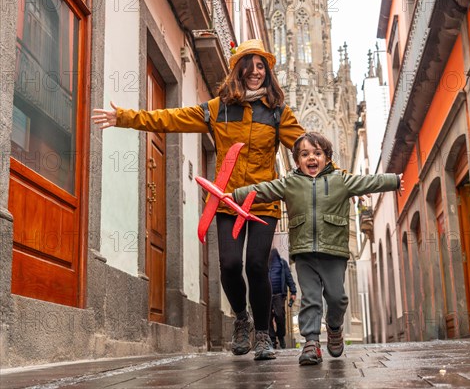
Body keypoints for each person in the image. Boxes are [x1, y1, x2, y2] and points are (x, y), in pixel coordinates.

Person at [91, 39, 305, 361]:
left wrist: (333, 176)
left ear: (267, 72)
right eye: (251, 65)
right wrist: (123, 117)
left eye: (262, 66)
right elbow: (171, 118)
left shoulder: (278, 113)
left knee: (257, 265)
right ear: (239, 69)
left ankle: (263, 334)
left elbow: (305, 147)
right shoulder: (219, 109)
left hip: (263, 201)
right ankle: (242, 320)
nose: (256, 72)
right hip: (227, 200)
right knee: (231, 266)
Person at [231, 132, 404, 365]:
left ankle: (334, 327)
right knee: (310, 299)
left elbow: (368, 183)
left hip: (333, 250)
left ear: (327, 157)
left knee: (337, 298)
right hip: (304, 252)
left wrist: (394, 180)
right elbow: (264, 190)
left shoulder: (341, 179)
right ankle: (311, 343)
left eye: (317, 153)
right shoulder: (290, 182)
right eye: (304, 154)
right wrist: (234, 195)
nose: (311, 158)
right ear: (297, 160)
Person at [268, 248, 297, 349]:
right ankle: (272, 338)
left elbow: (288, 277)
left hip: (279, 295)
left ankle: (280, 336)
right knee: (268, 317)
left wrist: (293, 291)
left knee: (279, 316)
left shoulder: (282, 263)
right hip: (266, 295)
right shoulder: (264, 263)